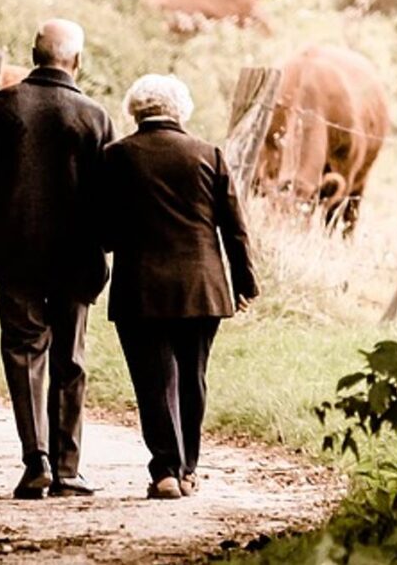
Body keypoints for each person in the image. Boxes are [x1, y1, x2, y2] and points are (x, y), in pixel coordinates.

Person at [0, 19, 115, 499]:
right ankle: (69, 469)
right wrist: (105, 249)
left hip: (14, 256)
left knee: (25, 354)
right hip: (77, 260)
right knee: (70, 358)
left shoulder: (3, 108)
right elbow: (109, 198)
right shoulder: (94, 116)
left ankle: (37, 461)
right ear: (78, 61)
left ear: (33, 54)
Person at [100, 74, 259, 500]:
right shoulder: (209, 154)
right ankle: (188, 469)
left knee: (154, 381)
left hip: (140, 288)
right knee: (193, 377)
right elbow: (235, 229)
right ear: (180, 110)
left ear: (134, 110)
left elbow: (104, 231)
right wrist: (244, 282)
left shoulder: (116, 157)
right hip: (202, 287)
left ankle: (165, 471)